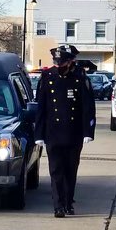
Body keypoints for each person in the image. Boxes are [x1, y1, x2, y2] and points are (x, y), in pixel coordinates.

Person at [34, 44, 96, 218]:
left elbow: (87, 107)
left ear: (71, 62)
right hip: (53, 131)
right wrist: (39, 134)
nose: (58, 65)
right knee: (56, 170)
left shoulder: (80, 77)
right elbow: (41, 108)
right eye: (56, 62)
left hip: (73, 132)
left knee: (70, 170)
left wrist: (88, 132)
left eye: (62, 62)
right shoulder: (47, 77)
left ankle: (68, 202)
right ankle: (58, 206)